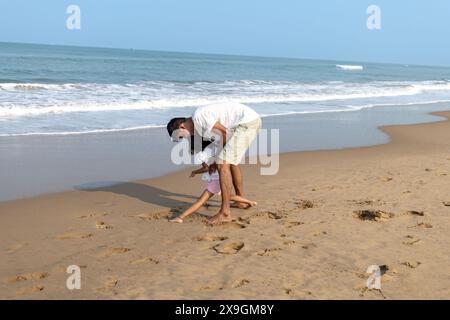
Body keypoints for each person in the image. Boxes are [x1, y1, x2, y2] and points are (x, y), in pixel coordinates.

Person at [166, 102, 261, 224]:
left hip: (246, 123)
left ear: (182, 127)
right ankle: (240, 201)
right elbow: (220, 138)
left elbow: (225, 132)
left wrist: (219, 161)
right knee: (230, 163)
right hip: (246, 122)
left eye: (180, 137)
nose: (183, 139)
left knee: (223, 163)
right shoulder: (200, 126)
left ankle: (225, 213)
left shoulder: (198, 119)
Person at [168, 162, 257, 224]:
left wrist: (195, 172)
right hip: (219, 180)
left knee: (200, 201)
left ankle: (180, 217)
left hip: (215, 182)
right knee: (227, 196)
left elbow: (206, 168)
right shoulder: (215, 151)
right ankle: (249, 202)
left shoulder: (203, 154)